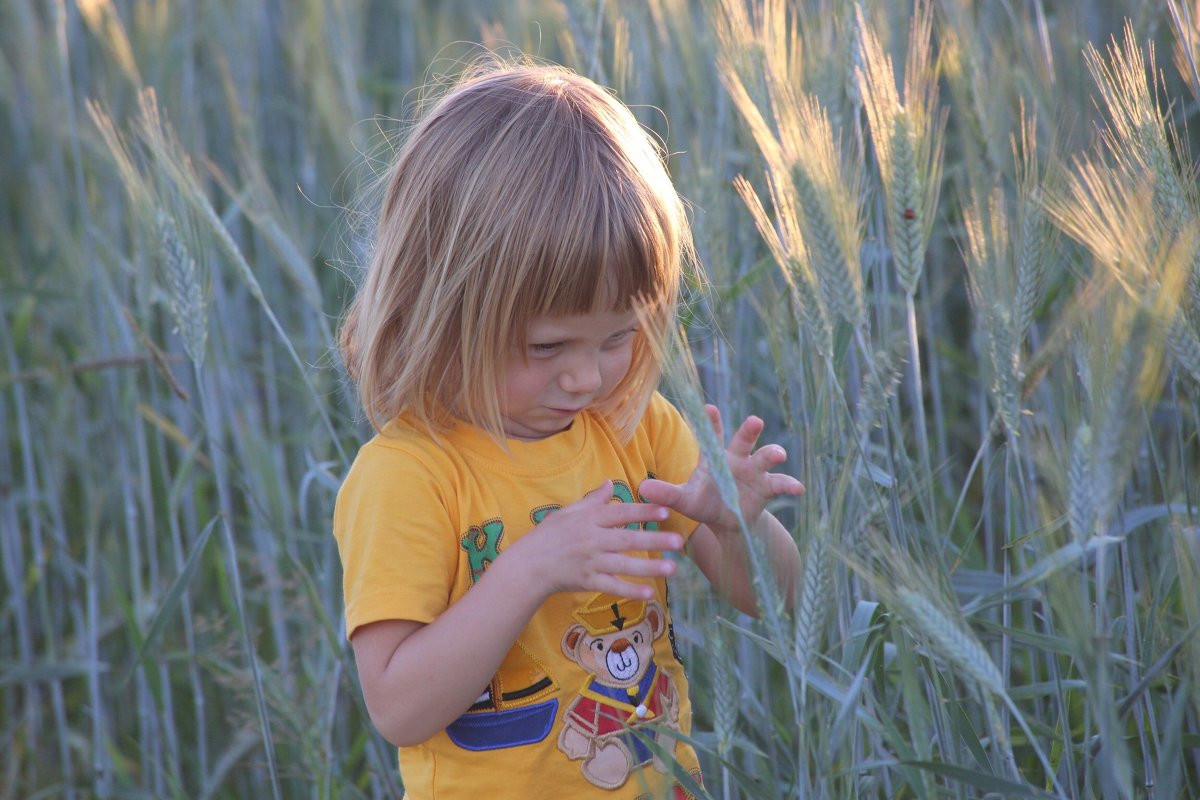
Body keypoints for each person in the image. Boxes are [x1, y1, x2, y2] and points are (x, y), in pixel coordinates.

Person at [334, 59, 804, 799]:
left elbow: (780, 603)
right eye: (546, 347)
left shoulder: (635, 426)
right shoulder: (410, 475)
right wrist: (533, 567)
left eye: (617, 337)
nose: (587, 378)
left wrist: (740, 528)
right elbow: (398, 706)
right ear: (444, 309)